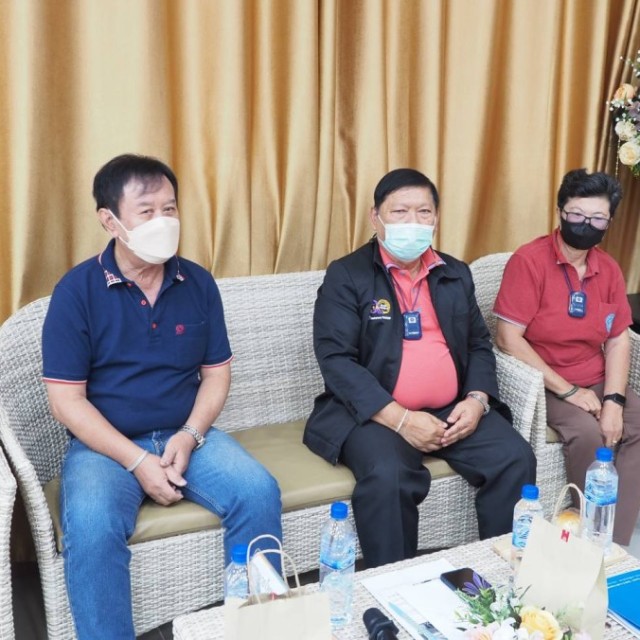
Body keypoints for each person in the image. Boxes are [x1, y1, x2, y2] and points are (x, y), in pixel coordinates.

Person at [42, 154, 282, 639]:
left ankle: (258, 628)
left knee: (258, 492)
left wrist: (190, 435)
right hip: (105, 446)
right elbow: (66, 402)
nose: (163, 222)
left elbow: (216, 374)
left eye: (169, 209)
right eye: (147, 211)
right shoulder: (76, 292)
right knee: (91, 527)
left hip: (186, 435)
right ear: (110, 220)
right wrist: (137, 461)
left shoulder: (197, 282)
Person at [304, 168, 536, 568]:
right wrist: (401, 420)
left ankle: (501, 575)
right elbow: (336, 360)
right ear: (375, 217)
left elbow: (478, 344)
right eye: (400, 212)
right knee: (388, 475)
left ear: (436, 218)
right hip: (375, 415)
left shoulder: (454, 272)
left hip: (452, 410)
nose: (412, 222)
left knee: (514, 457)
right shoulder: (347, 275)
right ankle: (393, 584)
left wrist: (477, 400)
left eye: (423, 212)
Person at [494, 168, 640, 547]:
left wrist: (614, 401)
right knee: (589, 433)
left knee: (635, 422)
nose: (586, 225)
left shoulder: (608, 268)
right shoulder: (529, 261)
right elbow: (508, 339)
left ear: (609, 222)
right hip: (543, 380)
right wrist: (569, 391)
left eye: (597, 218)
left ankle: (611, 543)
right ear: (560, 211)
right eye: (577, 214)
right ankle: (583, 537)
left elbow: (618, 340)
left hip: (594, 376)